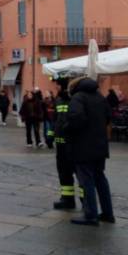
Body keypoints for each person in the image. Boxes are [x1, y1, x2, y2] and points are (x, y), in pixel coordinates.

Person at [64, 77, 115, 226]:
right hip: (100, 145)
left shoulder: (78, 98)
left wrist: (67, 128)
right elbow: (108, 116)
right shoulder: (99, 97)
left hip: (83, 146)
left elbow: (76, 118)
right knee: (100, 178)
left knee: (86, 180)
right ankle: (108, 213)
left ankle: (91, 214)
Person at [52, 85, 80, 210]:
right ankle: (67, 199)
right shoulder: (58, 100)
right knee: (63, 172)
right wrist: (50, 135)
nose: (57, 87)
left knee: (80, 172)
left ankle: (86, 202)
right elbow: (55, 119)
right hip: (60, 143)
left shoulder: (77, 100)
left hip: (74, 143)